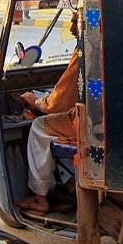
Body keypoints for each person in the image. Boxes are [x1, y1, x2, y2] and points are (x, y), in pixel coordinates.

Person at [16, 11, 80, 214]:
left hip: (87, 123)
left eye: (76, 19)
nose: (71, 25)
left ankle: (40, 197)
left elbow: (57, 103)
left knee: (38, 126)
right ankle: (71, 185)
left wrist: (35, 100)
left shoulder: (86, 52)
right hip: (103, 121)